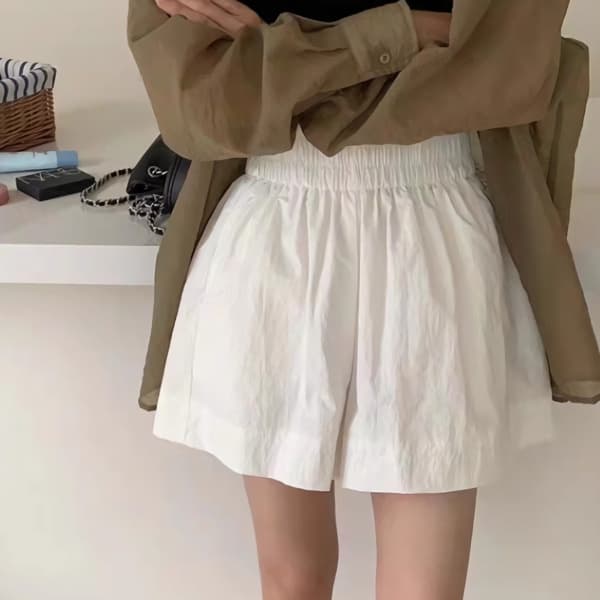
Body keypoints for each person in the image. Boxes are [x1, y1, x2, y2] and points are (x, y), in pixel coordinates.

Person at [141, 1, 558, 599]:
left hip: (430, 227)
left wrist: (288, 63)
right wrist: (404, 33)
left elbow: (506, 65)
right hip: (280, 221)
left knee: (421, 590)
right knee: (291, 580)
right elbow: (208, 104)